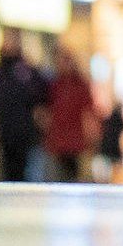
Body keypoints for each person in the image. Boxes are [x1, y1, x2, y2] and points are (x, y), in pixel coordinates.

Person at [0, 38, 54, 182]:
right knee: (9, 169)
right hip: (7, 130)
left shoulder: (24, 71)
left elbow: (39, 92)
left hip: (22, 130)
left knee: (21, 170)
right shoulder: (2, 73)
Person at [43, 46, 100, 182]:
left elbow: (88, 113)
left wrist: (91, 137)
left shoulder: (81, 85)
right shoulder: (54, 85)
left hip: (76, 144)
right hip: (58, 144)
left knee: (76, 181)